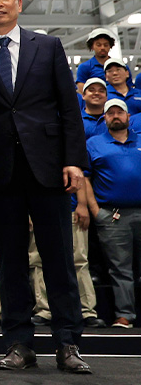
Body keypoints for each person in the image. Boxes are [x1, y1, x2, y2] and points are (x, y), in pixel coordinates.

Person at [0, 0, 91, 373]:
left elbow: (69, 108)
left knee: (58, 259)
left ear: (19, 3)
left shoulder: (48, 46)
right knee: (10, 262)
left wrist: (74, 160)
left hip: (49, 167)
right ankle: (19, 343)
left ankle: (68, 344)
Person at [85, 99, 141, 329]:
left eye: (120, 112)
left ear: (129, 117)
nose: (115, 116)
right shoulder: (94, 144)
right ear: (104, 118)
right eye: (111, 113)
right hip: (112, 215)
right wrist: (96, 211)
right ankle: (125, 315)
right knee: (120, 268)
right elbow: (85, 178)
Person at [75, 28, 119, 94]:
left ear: (110, 46)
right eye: (98, 45)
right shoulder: (84, 67)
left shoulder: (121, 67)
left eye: (106, 45)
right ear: (92, 47)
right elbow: (82, 91)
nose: (102, 48)